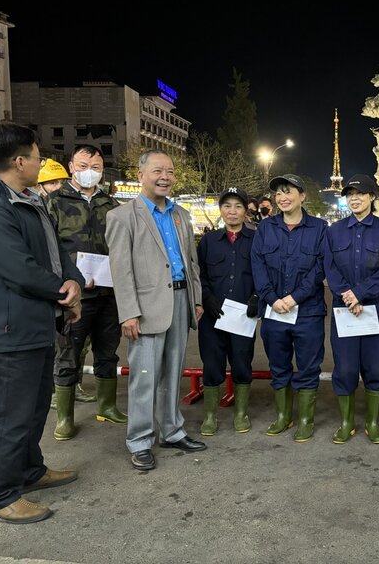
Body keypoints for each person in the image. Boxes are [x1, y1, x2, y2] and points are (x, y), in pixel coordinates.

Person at [0, 122, 84, 524]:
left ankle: (29, 470)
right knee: (10, 413)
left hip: (34, 321)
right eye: (37, 154)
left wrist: (73, 282)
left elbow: (52, 250)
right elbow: (19, 268)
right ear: (19, 160)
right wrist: (62, 291)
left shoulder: (23, 196)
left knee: (31, 407)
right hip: (9, 325)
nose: (41, 161)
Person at [106, 149, 206, 471]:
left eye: (170, 172)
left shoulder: (181, 215)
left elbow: (191, 262)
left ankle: (173, 431)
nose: (165, 177)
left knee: (173, 372)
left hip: (180, 300)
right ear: (141, 175)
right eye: (157, 171)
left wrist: (197, 299)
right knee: (145, 378)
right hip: (145, 308)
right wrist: (128, 312)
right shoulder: (122, 216)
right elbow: (120, 270)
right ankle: (140, 440)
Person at [46, 145, 127, 440]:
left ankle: (107, 406)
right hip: (73, 296)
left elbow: (121, 247)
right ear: (71, 167)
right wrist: (70, 280)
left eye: (96, 166)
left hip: (109, 294)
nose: (90, 171)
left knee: (108, 352)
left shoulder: (113, 205)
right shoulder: (53, 203)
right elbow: (49, 251)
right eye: (83, 165)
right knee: (68, 355)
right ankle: (64, 418)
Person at [251, 174, 327, 442]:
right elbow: (257, 265)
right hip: (274, 312)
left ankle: (306, 419)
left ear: (302, 196)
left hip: (308, 312)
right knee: (278, 365)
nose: (282, 197)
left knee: (308, 366)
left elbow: (320, 268)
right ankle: (284, 416)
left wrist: (294, 298)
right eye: (278, 193)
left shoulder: (320, 228)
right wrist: (271, 298)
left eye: (289, 192)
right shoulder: (266, 228)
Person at [324, 174, 379, 444]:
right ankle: (346, 422)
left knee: (376, 368)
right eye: (350, 194)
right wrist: (347, 295)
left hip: (376, 310)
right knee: (344, 368)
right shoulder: (333, 231)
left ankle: (373, 422)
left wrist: (360, 293)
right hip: (345, 311)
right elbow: (329, 269)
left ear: (372, 197)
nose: (354, 198)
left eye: (361, 193)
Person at [197, 187, 259, 435]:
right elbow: (198, 272)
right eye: (227, 206)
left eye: (238, 206)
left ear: (246, 211)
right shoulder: (209, 241)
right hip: (213, 316)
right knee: (212, 364)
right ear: (220, 210)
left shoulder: (256, 240)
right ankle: (210, 416)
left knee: (242, 363)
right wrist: (206, 296)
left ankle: (241, 413)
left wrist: (257, 296)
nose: (232, 211)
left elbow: (263, 273)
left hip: (243, 316)